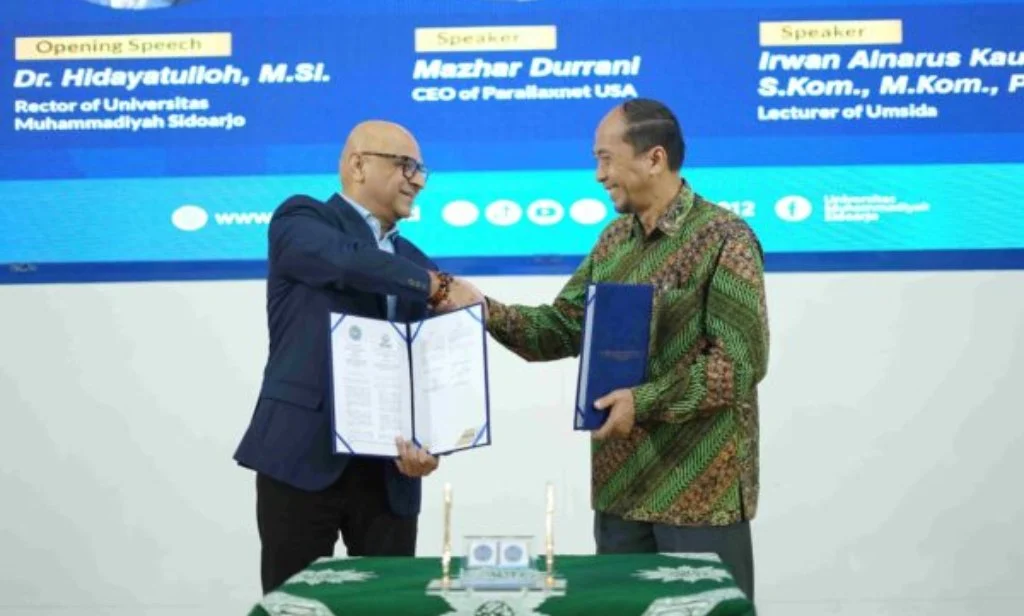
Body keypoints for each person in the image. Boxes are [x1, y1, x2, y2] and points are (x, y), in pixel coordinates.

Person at [457, 99, 769, 600]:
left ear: (654, 158)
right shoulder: (614, 241)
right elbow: (562, 328)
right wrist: (483, 309)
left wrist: (641, 402)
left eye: (607, 159)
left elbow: (737, 366)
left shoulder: (724, 238)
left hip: (698, 496)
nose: (599, 175)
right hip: (621, 491)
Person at [233, 120, 476, 594]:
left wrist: (433, 443)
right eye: (406, 166)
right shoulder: (302, 220)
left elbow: (430, 371)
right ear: (358, 165)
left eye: (421, 170)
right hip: (302, 457)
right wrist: (434, 285)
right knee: (296, 605)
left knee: (389, 604)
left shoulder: (417, 261)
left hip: (390, 472)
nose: (418, 181)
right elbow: (347, 261)